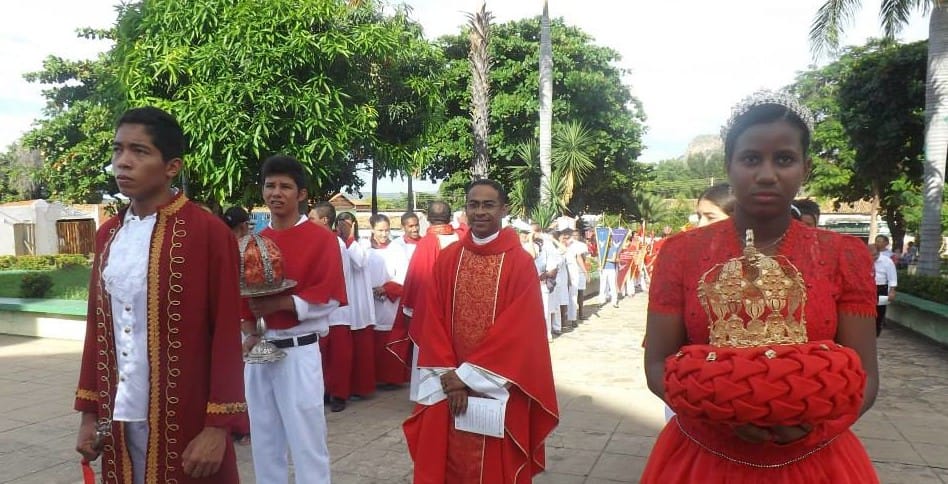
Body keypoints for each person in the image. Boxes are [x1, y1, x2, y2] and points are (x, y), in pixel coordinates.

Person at [642, 91, 879, 482]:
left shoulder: (844, 255)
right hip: (704, 456)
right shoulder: (681, 253)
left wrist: (818, 428)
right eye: (751, 159)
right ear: (729, 166)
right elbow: (656, 364)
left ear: (806, 167)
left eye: (784, 159)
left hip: (815, 460)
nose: (767, 174)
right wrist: (716, 415)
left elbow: (866, 375)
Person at [74, 107, 246, 483]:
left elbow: (228, 337)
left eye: (139, 151)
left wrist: (218, 426)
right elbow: (98, 329)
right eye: (118, 150)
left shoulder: (208, 233)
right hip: (117, 415)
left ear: (172, 167)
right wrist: (89, 414)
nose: (123, 162)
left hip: (184, 414)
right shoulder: (109, 235)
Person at [403, 179, 559, 483]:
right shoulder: (449, 258)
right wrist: (451, 376)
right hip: (447, 383)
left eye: (488, 205)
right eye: (473, 204)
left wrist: (466, 377)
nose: (480, 211)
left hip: (497, 385)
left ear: (504, 208)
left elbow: (520, 331)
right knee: (443, 460)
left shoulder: (519, 263)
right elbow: (431, 319)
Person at [241, 155, 347, 483]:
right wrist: (247, 328)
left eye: (285, 186)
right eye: (270, 185)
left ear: (301, 194)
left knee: (306, 441)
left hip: (299, 351)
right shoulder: (253, 243)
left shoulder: (322, 239)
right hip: (259, 350)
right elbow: (241, 297)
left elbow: (329, 298)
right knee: (264, 438)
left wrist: (282, 303)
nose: (276, 192)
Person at [386, 201, 460, 402]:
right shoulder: (461, 239)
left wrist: (410, 312)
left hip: (430, 315)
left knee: (428, 354)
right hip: (458, 312)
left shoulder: (426, 243)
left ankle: (428, 398)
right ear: (450, 216)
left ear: (427, 219)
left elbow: (415, 281)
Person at [309, 201, 356, 413]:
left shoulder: (335, 244)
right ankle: (326, 391)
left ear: (325, 220)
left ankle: (339, 395)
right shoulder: (317, 241)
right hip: (321, 308)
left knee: (339, 357)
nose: (308, 223)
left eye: (312, 219)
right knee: (323, 356)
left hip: (336, 309)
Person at [335, 211, 377, 399]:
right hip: (342, 304)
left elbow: (359, 262)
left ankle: (360, 388)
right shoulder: (333, 242)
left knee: (360, 351)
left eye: (348, 223)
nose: (344, 226)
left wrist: (350, 238)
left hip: (358, 303)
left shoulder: (363, 244)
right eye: (342, 222)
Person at [366, 214, 410, 389]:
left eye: (387, 230)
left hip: (390, 301)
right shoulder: (364, 250)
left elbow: (404, 275)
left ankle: (392, 378)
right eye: (380, 230)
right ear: (372, 230)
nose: (384, 234)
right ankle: (374, 377)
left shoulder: (397, 249)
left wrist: (386, 289)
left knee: (389, 336)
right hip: (370, 300)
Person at [562, 228, 590, 325]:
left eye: (567, 236)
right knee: (564, 297)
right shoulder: (560, 246)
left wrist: (586, 272)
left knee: (575, 295)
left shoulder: (578, 246)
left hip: (575, 272)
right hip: (563, 273)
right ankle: (563, 320)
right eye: (564, 237)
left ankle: (574, 318)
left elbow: (581, 258)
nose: (569, 238)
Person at [870, 243, 897, 337]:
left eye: (874, 255)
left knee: (880, 311)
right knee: (869, 311)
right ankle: (868, 332)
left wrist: (892, 291)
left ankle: (876, 332)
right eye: (870, 255)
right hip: (869, 289)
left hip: (882, 288)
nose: (873, 258)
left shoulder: (887, 261)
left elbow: (892, 277)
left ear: (878, 253)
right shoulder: (865, 260)